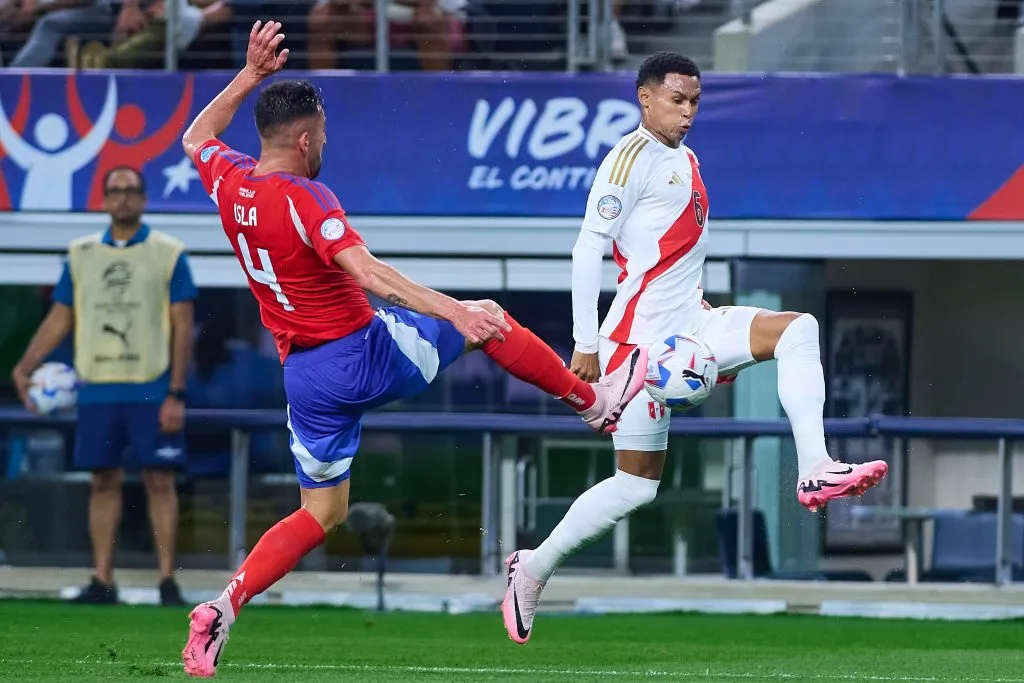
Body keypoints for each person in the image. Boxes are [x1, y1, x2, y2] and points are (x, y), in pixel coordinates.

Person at [178, 21, 648, 677]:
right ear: (307, 138)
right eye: (323, 139)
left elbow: (194, 136)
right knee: (488, 315)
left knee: (323, 510)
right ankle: (593, 401)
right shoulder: (306, 198)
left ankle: (225, 606)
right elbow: (369, 274)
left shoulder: (231, 183)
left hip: (304, 378)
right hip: (361, 354)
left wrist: (249, 76)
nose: (324, 148)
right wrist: (457, 311)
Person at [500, 51, 890, 645]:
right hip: (634, 345)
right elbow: (587, 249)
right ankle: (533, 568)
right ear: (645, 98)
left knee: (798, 328)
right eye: (677, 100)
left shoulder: (686, 158)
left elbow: (675, 257)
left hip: (690, 327)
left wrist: (708, 323)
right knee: (636, 484)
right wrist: (584, 343)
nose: (687, 112)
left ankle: (814, 469)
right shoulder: (627, 160)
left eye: (695, 102)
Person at [12, 165, 196, 607]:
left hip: (150, 384)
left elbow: (182, 325)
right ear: (104, 199)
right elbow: (61, 316)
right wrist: (26, 366)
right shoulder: (81, 254)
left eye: (132, 191)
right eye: (116, 191)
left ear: (144, 198)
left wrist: (176, 392)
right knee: (103, 480)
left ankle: (168, 582)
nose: (124, 198)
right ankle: (101, 579)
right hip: (97, 385)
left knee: (159, 479)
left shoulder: (168, 252)